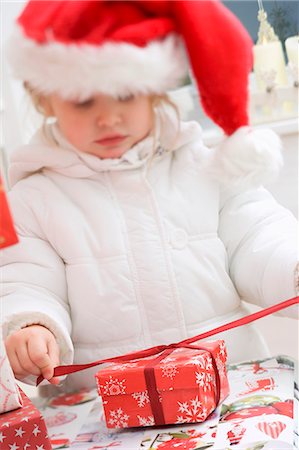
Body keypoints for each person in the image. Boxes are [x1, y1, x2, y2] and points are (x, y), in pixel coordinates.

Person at [1, 0, 297, 393]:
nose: (108, 117)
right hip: (104, 406)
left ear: (155, 91)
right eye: (83, 101)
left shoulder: (203, 165)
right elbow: (28, 280)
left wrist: (291, 266)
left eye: (125, 95)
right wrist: (33, 323)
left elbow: (256, 234)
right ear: (46, 100)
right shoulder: (34, 198)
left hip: (228, 383)